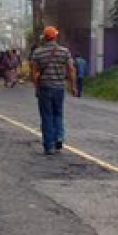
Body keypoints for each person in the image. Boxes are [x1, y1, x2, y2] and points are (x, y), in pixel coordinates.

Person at [31, 27, 78, 155]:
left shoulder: (38, 53)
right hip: (59, 88)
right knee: (58, 113)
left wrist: (36, 88)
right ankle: (59, 137)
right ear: (55, 37)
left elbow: (34, 73)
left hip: (44, 88)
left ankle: (49, 145)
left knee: (47, 116)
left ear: (44, 38)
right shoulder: (64, 51)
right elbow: (71, 69)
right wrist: (73, 86)